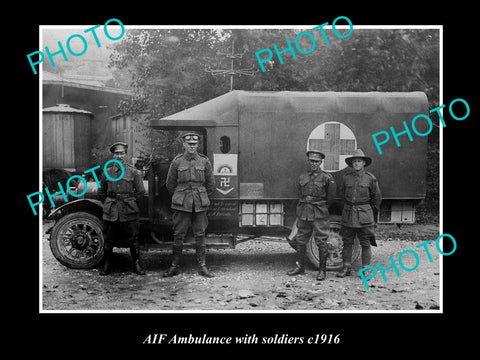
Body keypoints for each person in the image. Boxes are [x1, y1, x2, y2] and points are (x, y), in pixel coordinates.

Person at [164, 132, 215, 278]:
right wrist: (181, 195)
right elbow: (170, 184)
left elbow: (211, 184)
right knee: (179, 235)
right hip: (181, 203)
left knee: (200, 234)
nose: (192, 146)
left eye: (194, 143)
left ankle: (202, 266)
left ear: (197, 144)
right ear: (184, 144)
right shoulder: (177, 162)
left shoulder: (204, 161)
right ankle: (174, 266)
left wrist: (200, 195)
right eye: (189, 143)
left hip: (199, 202)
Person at [97, 142, 146, 276]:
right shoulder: (106, 172)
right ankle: (106, 265)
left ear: (126, 154)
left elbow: (141, 192)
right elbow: (101, 192)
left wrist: (130, 201)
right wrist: (109, 202)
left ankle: (136, 265)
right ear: (113, 155)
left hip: (129, 209)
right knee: (108, 240)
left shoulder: (134, 172)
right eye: (117, 153)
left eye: (122, 153)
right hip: (111, 210)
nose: (119, 156)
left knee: (133, 239)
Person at [287, 149, 336, 281]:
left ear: (321, 162)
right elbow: (300, 193)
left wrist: (322, 208)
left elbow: (331, 198)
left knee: (321, 241)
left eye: (316, 161)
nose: (314, 164)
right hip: (304, 212)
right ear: (308, 161)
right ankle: (300, 267)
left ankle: (322, 271)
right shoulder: (303, 177)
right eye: (311, 161)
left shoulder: (327, 178)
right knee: (301, 240)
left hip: (319, 213)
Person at [336, 149, 382, 278]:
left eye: (359, 161)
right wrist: (348, 207)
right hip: (349, 213)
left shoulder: (370, 178)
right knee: (347, 242)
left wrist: (368, 212)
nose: (356, 163)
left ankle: (366, 269)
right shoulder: (346, 178)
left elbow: (376, 198)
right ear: (352, 164)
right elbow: (342, 196)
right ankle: (346, 267)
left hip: (364, 215)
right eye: (354, 161)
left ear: (363, 163)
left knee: (365, 242)